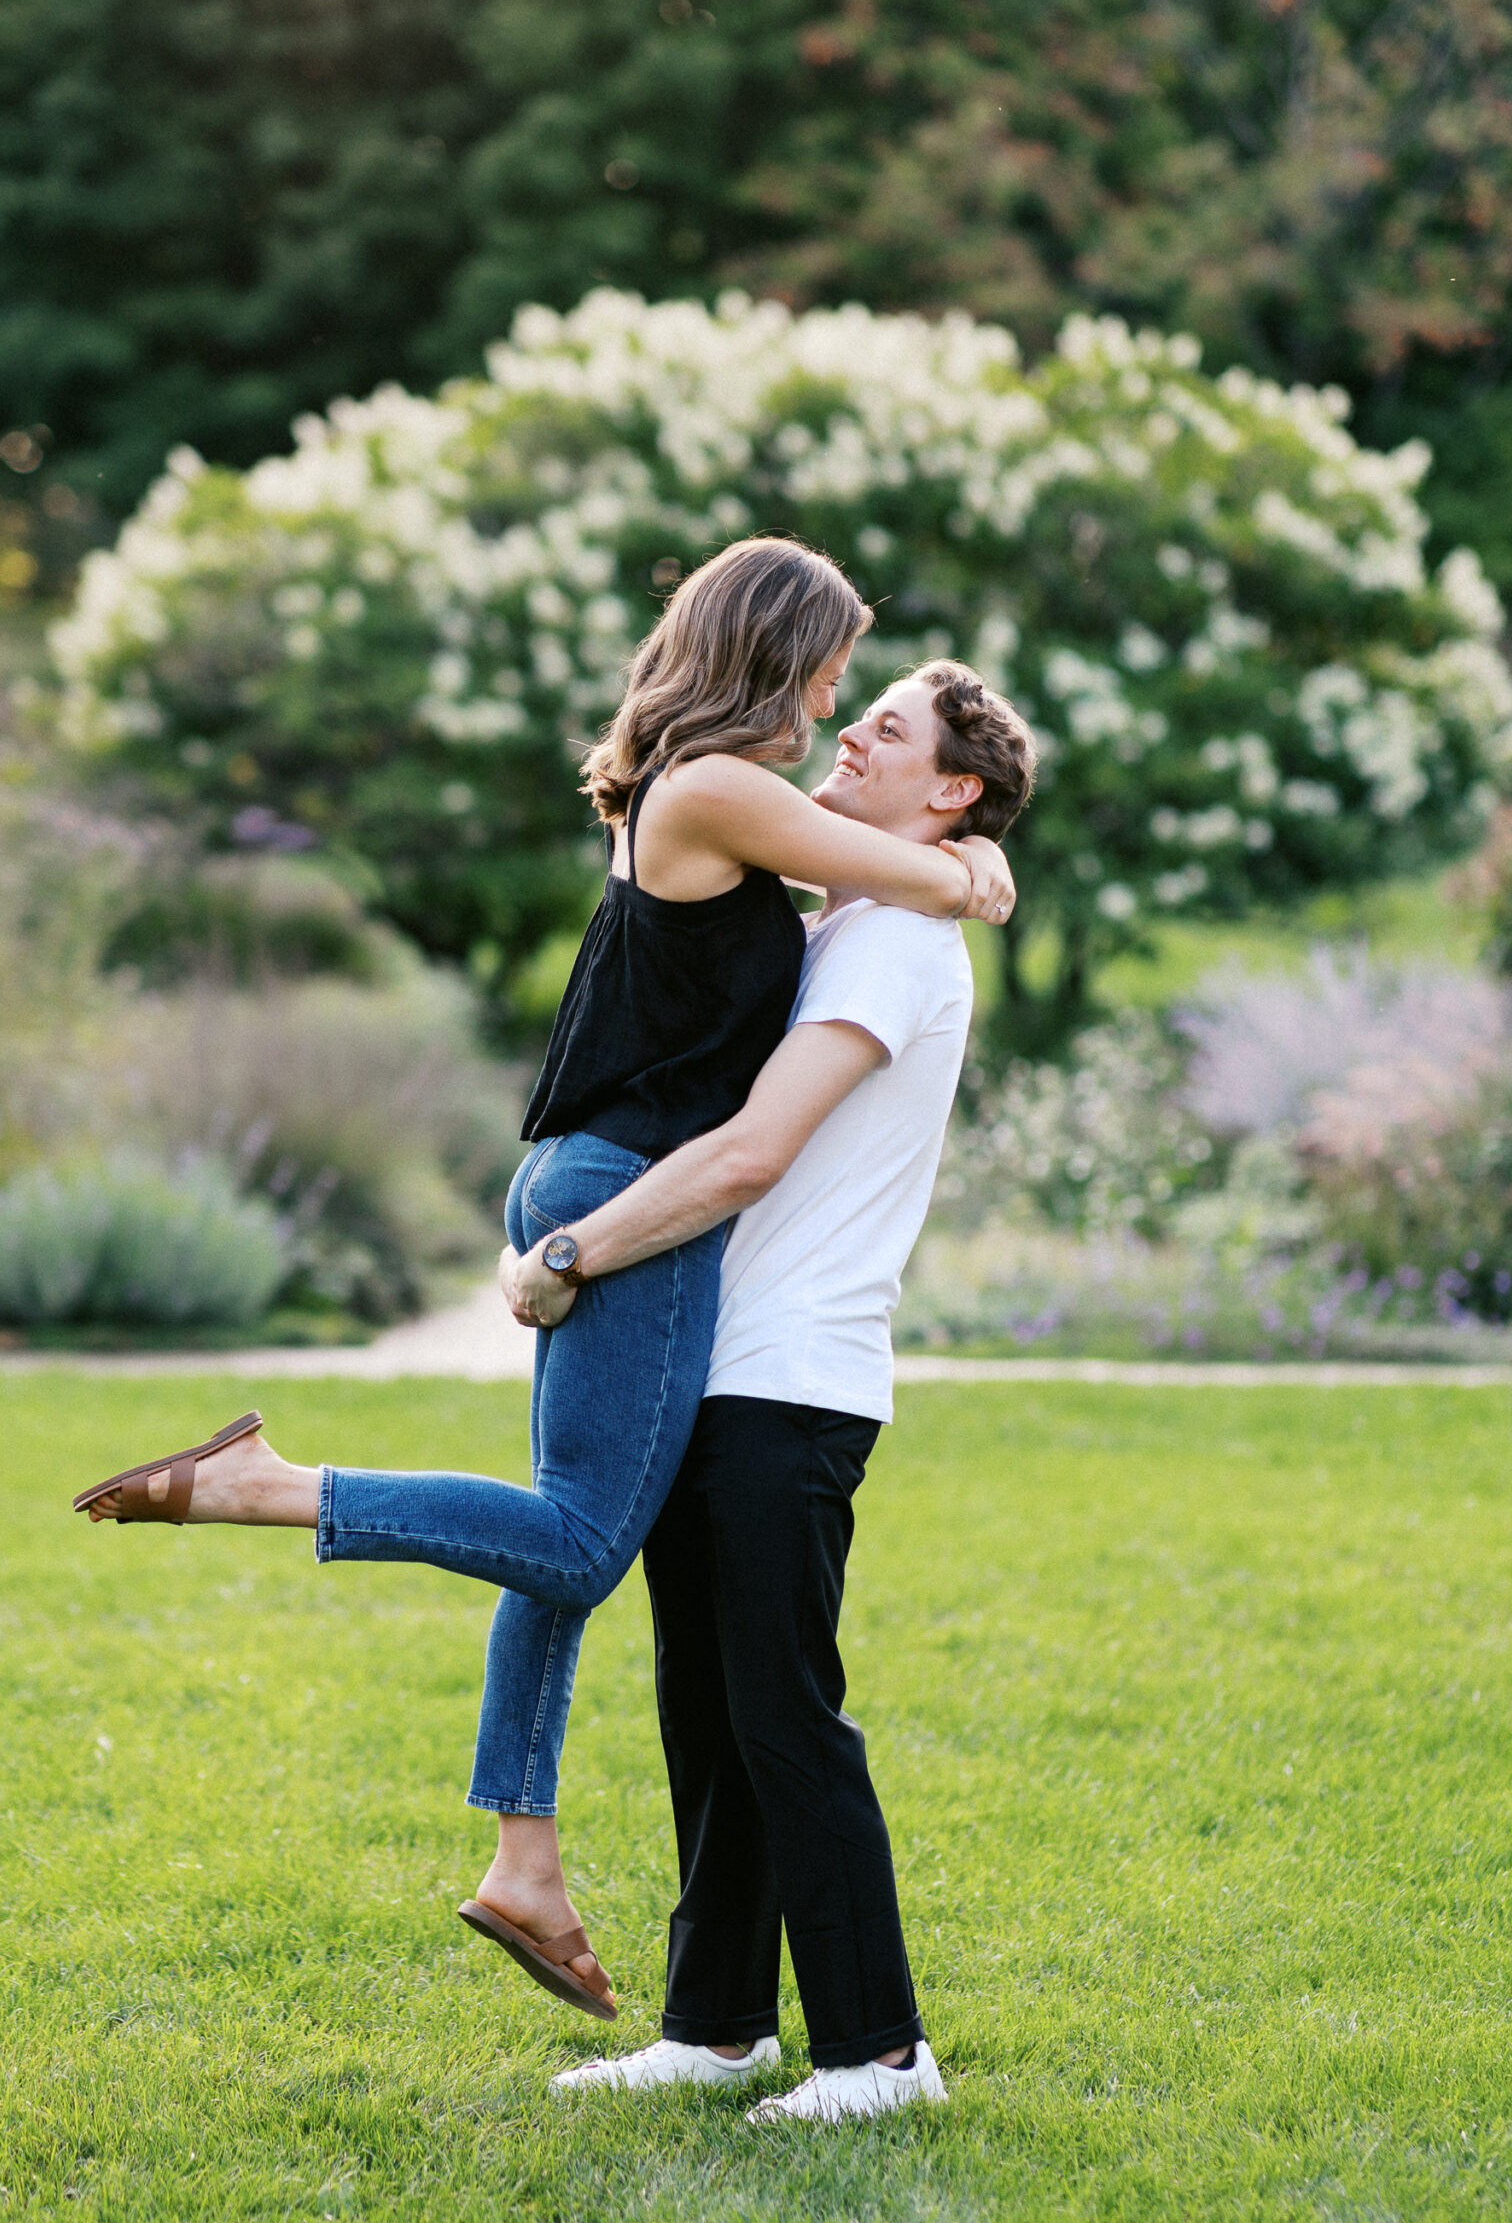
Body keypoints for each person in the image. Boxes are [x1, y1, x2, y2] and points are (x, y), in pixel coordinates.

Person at [73, 540, 1017, 2028]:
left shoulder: (707, 799)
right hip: (620, 1188)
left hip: (595, 1174)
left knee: (563, 1527)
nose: (839, 699)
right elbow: (933, 884)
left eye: (872, 704)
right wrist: (973, 859)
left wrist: (955, 858)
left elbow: (888, 901)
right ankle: (268, 1487)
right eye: (836, 667)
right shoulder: (717, 791)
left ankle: (526, 1859)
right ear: (773, 649)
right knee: (579, 1541)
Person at [502, 659, 1034, 2121]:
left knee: (784, 1715)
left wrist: (570, 1252)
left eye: (892, 729)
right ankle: (716, 2024)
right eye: (855, 713)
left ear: (952, 792)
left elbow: (751, 1154)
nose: (852, 731)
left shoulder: (894, 947)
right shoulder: (854, 917)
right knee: (710, 1713)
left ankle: (882, 2055)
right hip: (725, 1368)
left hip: (789, 1379)